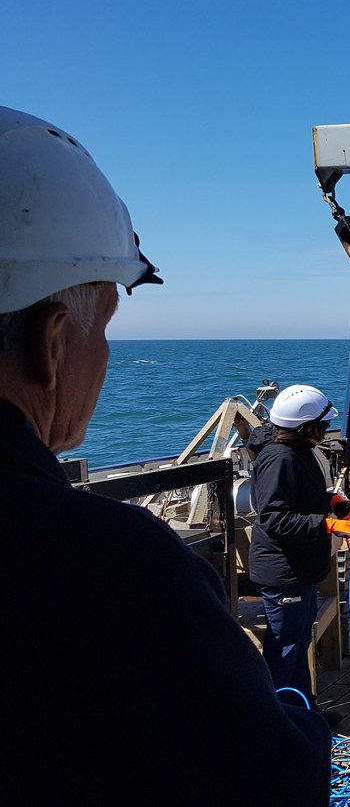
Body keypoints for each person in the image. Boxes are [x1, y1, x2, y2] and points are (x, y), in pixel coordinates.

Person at [0, 105, 333, 803]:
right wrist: (299, 723)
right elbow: (275, 779)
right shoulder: (113, 568)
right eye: (106, 326)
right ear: (53, 342)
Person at [249, 384, 350, 728]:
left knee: (298, 645)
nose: (327, 429)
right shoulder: (280, 459)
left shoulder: (297, 451)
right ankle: (274, 724)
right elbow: (274, 518)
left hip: (300, 569)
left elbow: (298, 500)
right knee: (284, 651)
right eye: (323, 424)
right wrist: (328, 524)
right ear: (307, 427)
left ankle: (303, 713)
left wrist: (330, 503)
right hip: (284, 571)